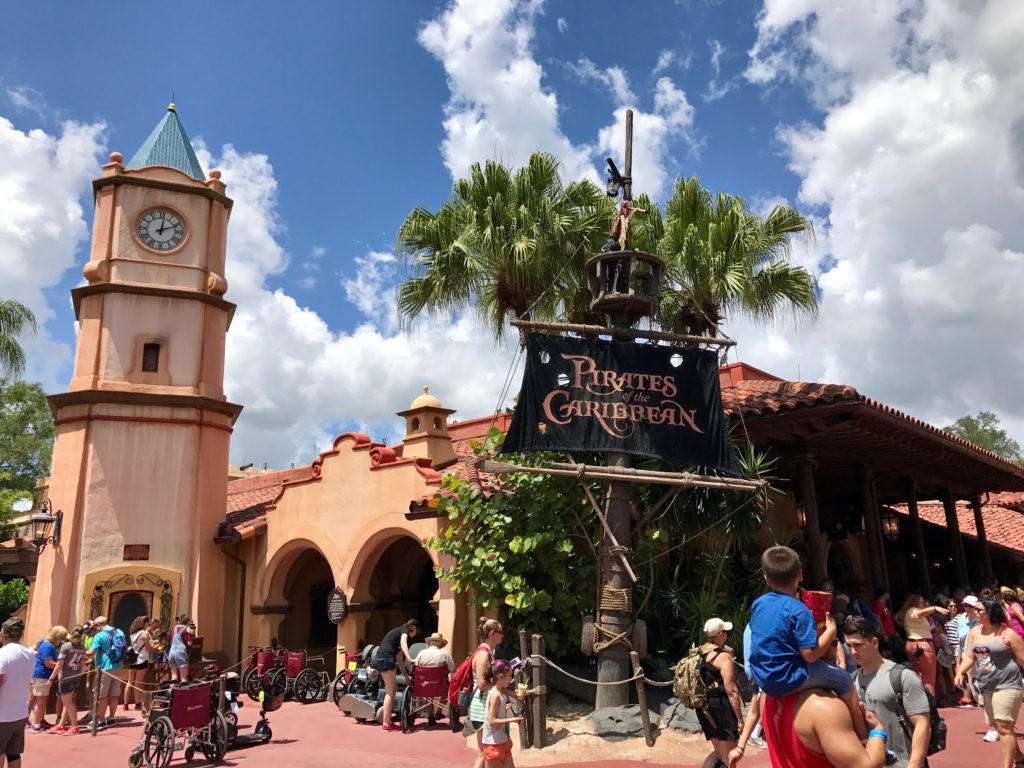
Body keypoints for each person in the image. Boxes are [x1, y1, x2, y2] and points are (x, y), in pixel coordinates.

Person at [747, 546, 867, 740]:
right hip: (790, 676)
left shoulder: (758, 604)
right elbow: (810, 654)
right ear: (800, 575)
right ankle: (864, 737)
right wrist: (831, 631)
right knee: (845, 680)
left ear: (766, 578)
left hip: (763, 677)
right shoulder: (799, 610)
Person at [845, 616, 931, 768]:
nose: (853, 651)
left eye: (858, 645)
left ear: (874, 643)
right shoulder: (851, 680)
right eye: (848, 645)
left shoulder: (902, 676)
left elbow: (922, 724)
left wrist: (914, 764)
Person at [954, 598, 1024, 768]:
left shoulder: (1007, 633)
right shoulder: (974, 632)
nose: (975, 612)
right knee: (1000, 727)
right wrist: (960, 672)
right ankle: (1020, 758)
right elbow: (970, 656)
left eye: (979, 610)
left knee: (1004, 726)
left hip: (1008, 685)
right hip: (987, 686)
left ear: (991, 612)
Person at [693, 617, 743, 767]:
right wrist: (740, 720)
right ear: (721, 634)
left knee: (719, 752)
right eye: (726, 632)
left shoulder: (698, 652)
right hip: (722, 710)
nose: (727, 634)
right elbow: (732, 690)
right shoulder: (723, 657)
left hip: (704, 708)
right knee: (730, 757)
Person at [468, 618, 505, 768]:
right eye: (500, 632)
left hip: (483, 707)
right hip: (481, 709)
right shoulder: (484, 654)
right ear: (492, 634)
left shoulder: (488, 652)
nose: (503, 636)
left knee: (485, 753)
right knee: (483, 754)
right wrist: (499, 683)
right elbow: (482, 684)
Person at [0, 618, 37, 768]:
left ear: (4, 633)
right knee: (14, 754)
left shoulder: (3, 654)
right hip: (20, 712)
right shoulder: (29, 652)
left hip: (3, 714)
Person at [895, 594, 948, 696]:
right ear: (914, 603)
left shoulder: (909, 613)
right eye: (920, 602)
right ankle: (930, 702)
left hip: (914, 644)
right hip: (921, 644)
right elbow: (919, 613)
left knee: (919, 676)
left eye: (923, 603)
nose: (923, 605)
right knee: (928, 678)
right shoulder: (913, 611)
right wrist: (934, 608)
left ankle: (922, 700)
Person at [376, 619, 419, 732]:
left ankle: (388, 720)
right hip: (386, 658)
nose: (415, 634)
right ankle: (386, 724)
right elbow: (403, 643)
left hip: (381, 659)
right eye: (416, 631)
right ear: (414, 628)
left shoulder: (397, 637)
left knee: (393, 689)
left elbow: (399, 659)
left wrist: (405, 676)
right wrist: (409, 658)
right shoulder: (404, 630)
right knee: (390, 692)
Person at [481, 660, 522, 768]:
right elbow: (492, 722)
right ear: (500, 676)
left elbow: (504, 690)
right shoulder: (495, 695)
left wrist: (517, 695)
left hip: (500, 739)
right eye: (509, 676)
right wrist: (513, 720)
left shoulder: (499, 690)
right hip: (492, 744)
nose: (511, 679)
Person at [47, 625, 87, 735]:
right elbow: (82, 665)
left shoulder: (66, 646)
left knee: (68, 703)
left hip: (65, 677)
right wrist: (78, 674)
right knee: (68, 702)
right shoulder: (82, 647)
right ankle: (61, 724)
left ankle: (74, 726)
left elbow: (59, 664)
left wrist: (51, 678)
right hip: (76, 677)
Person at [85, 616, 123, 729]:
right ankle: (111, 718)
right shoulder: (120, 632)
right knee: (114, 694)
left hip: (105, 667)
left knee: (102, 695)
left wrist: (80, 651)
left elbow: (91, 652)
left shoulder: (99, 635)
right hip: (118, 666)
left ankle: (101, 720)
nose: (94, 629)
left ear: (99, 625)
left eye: (95, 627)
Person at [413, 632, 455, 723]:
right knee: (445, 689)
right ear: (440, 643)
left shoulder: (422, 653)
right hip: (439, 684)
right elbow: (452, 669)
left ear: (430, 642)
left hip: (423, 684)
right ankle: (439, 712)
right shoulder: (444, 653)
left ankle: (430, 715)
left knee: (428, 694)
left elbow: (415, 665)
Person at [29, 625, 64, 732]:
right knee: (41, 701)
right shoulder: (48, 647)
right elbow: (48, 663)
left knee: (34, 699)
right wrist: (61, 665)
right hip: (42, 675)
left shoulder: (44, 643)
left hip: (38, 674)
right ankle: (36, 724)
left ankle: (35, 721)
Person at [126, 617, 156, 712]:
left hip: (133, 659)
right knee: (138, 683)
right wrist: (154, 646)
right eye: (147, 623)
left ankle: (125, 704)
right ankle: (137, 704)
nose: (148, 625)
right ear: (144, 623)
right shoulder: (145, 633)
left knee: (130, 682)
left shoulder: (133, 634)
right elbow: (148, 648)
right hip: (142, 659)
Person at [166, 617, 193, 682]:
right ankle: (183, 689)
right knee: (184, 679)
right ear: (188, 622)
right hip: (180, 653)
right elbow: (189, 643)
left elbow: (171, 642)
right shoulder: (187, 629)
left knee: (174, 678)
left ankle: (172, 688)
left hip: (172, 653)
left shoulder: (174, 628)